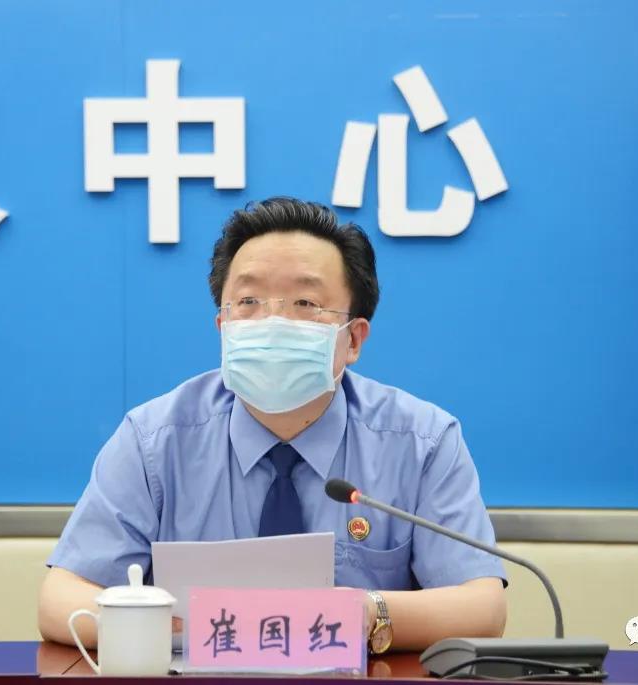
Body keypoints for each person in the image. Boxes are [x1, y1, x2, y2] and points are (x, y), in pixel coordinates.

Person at [38, 197, 506, 652]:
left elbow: (482, 608)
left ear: (353, 339)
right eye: (249, 300)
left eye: (304, 302)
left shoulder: (422, 443)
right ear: (223, 328)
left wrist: (367, 612)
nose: (273, 322)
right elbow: (60, 600)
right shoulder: (153, 442)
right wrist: (176, 624)